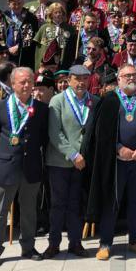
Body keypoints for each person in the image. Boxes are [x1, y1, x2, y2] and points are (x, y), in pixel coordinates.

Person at [83, 64, 136, 260]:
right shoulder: (109, 100)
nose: (131, 78)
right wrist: (118, 148)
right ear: (118, 79)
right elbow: (101, 132)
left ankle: (135, 241)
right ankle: (105, 243)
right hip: (115, 162)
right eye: (126, 75)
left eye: (133, 75)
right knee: (111, 202)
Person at [0, 67, 49, 267]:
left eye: (29, 81)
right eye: (22, 82)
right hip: (5, 166)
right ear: (12, 84)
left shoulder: (41, 108)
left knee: (29, 209)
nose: (26, 85)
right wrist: (2, 157)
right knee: (0, 210)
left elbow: (43, 138)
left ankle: (28, 247)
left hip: (30, 166)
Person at [42, 65, 98, 259]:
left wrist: (84, 157)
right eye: (77, 78)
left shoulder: (94, 101)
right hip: (60, 161)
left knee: (76, 204)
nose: (81, 82)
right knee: (58, 204)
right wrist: (73, 154)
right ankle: (54, 244)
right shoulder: (57, 101)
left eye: (85, 78)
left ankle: (75, 242)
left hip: (83, 164)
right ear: (69, 80)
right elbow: (54, 133)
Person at [0, 0, 39, 70]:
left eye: (19, 3)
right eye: (14, 4)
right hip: (6, 55)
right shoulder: (2, 17)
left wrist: (19, 47)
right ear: (9, 4)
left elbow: (33, 37)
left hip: (24, 55)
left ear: (23, 2)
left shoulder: (30, 17)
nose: (17, 6)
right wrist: (7, 49)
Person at [33, 3, 76, 71]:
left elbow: (73, 47)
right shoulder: (44, 28)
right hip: (46, 64)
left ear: (63, 13)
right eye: (55, 12)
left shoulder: (69, 28)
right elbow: (38, 49)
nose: (58, 14)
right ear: (51, 14)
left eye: (60, 12)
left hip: (63, 63)